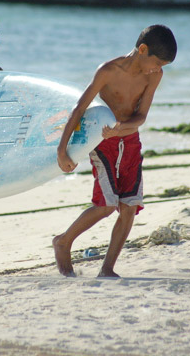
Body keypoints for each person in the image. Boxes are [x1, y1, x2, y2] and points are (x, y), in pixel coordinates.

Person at [53, 25, 177, 278]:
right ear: (142, 49)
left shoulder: (154, 75)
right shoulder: (108, 70)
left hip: (130, 142)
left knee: (129, 206)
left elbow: (141, 116)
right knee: (107, 205)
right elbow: (79, 108)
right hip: (103, 144)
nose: (157, 70)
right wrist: (62, 149)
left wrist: (123, 127)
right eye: (156, 63)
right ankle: (64, 242)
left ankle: (107, 268)